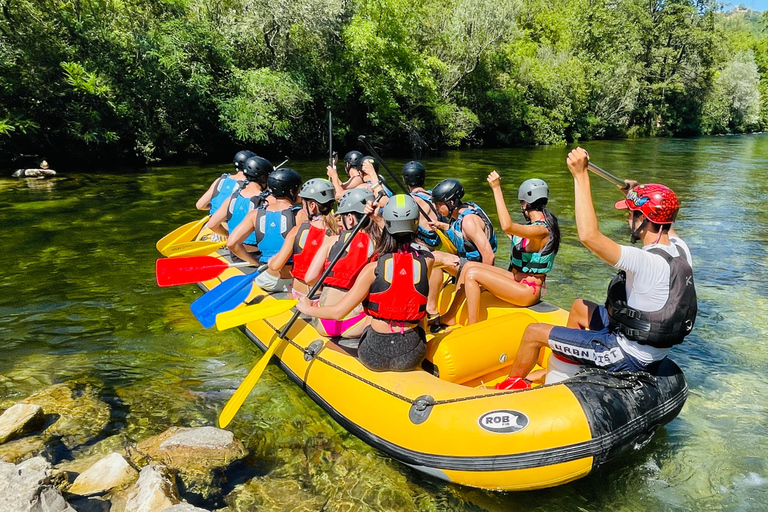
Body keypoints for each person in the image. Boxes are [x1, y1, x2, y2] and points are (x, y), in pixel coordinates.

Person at [496, 147, 697, 390]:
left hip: (626, 355)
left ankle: (507, 389)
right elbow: (665, 217)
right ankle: (565, 366)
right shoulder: (680, 249)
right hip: (650, 348)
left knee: (533, 332)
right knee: (580, 307)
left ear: (643, 219)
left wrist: (580, 175)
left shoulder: (644, 261)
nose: (627, 219)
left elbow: (589, 236)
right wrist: (634, 194)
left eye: (631, 213)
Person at [297, 195, 434, 371]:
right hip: (412, 354)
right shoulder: (428, 261)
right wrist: (378, 219)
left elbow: (338, 312)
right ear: (415, 223)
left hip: (373, 354)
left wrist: (307, 307)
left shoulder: (372, 269)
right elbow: (408, 246)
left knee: (371, 312)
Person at [438, 172, 561, 327]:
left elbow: (507, 226)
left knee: (473, 274)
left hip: (527, 291)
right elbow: (519, 237)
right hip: (517, 280)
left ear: (524, 203)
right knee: (468, 266)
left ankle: (473, 326)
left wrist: (496, 188)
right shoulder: (536, 226)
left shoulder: (541, 230)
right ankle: (450, 315)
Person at [303, 188, 379, 338]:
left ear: (350, 218)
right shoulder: (380, 244)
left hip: (323, 322)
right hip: (356, 323)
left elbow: (310, 278)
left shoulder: (332, 241)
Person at [428, 178, 497, 331]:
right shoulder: (466, 210)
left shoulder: (469, 221)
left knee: (434, 261)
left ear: (451, 203)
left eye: (439, 204)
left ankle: (432, 310)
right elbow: (463, 235)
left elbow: (489, 255)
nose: (437, 208)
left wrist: (482, 284)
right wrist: (443, 226)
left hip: (476, 270)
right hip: (469, 265)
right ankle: (448, 314)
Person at [227, 168, 304, 293]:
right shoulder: (300, 215)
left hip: (267, 279)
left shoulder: (255, 214)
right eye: (298, 189)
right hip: (294, 281)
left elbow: (231, 243)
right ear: (291, 191)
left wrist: (254, 262)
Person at [267, 178, 338, 301]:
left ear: (312, 206)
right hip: (325, 297)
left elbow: (275, 266)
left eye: (303, 203)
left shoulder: (298, 230)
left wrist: (271, 261)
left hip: (300, 294)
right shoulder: (339, 231)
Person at [207, 155, 272, 253]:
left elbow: (212, 224)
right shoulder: (268, 201)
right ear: (263, 178)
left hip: (235, 252)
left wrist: (228, 235)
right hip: (256, 253)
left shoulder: (232, 198)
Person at [196, 150, 254, 214]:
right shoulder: (251, 185)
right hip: (231, 223)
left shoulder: (221, 180)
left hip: (213, 220)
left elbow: (200, 205)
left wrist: (217, 209)